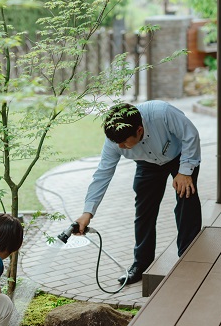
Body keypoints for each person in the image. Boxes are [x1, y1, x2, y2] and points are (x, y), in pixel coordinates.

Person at [75, 101, 202, 285]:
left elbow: (190, 135)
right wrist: (87, 213)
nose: (120, 147)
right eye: (117, 143)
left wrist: (185, 171)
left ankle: (187, 258)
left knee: (186, 200)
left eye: (125, 142)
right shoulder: (115, 142)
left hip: (180, 157)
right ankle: (141, 263)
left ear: (140, 130)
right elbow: (102, 174)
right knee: (144, 211)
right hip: (147, 163)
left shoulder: (162, 113)